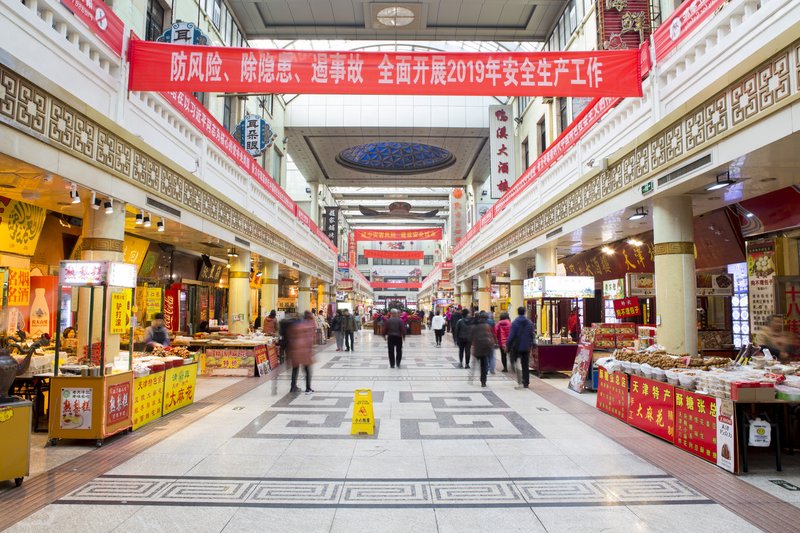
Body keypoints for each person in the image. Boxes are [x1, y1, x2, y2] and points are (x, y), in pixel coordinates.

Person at [506, 306, 535, 389]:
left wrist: (508, 345)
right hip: (526, 347)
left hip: (517, 346)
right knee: (525, 364)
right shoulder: (529, 323)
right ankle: (526, 382)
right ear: (525, 312)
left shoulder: (515, 322)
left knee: (516, 362)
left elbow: (511, 335)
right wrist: (532, 344)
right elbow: (532, 334)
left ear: (518, 312)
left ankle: (519, 380)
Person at [288, 311, 315, 393]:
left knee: (295, 369)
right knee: (307, 370)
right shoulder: (309, 326)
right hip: (305, 352)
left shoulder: (297, 326)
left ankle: (292, 387)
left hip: (295, 350)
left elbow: (291, 337)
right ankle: (308, 388)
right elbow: (310, 340)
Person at [470, 312, 495, 387]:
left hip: (477, 348)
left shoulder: (475, 326)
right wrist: (492, 344)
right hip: (486, 348)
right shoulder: (488, 326)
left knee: (475, 363)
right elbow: (491, 336)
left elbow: (471, 337)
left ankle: (471, 378)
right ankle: (483, 381)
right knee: (484, 365)